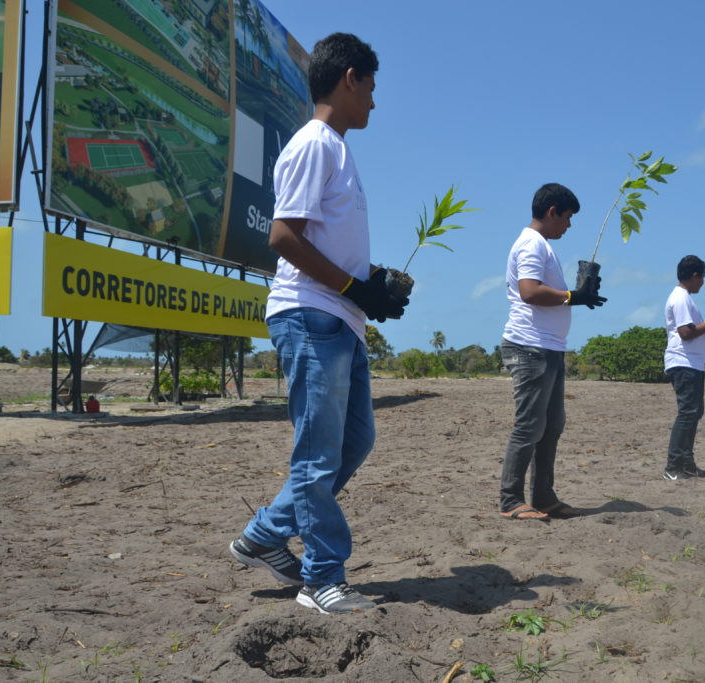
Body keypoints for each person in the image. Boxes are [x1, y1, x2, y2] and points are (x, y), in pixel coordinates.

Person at [229, 33, 407, 614]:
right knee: (317, 455)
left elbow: (328, 239)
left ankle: (262, 536)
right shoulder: (315, 144)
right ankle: (321, 578)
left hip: (340, 319)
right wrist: (354, 287)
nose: (375, 103)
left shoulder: (337, 149)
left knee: (354, 441)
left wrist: (371, 284)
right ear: (350, 78)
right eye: (373, 88)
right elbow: (283, 236)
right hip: (312, 314)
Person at [499, 183, 606, 521]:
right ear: (552, 212)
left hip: (549, 347)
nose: (569, 225)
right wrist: (573, 296)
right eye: (568, 217)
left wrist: (575, 294)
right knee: (529, 425)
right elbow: (529, 292)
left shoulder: (543, 246)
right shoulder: (531, 244)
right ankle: (511, 500)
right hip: (530, 347)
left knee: (552, 424)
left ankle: (544, 497)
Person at [662, 255, 705, 479]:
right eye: (702, 278)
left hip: (692, 363)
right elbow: (686, 332)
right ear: (695, 275)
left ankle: (687, 464)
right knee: (688, 413)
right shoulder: (680, 298)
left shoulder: (685, 298)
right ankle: (673, 467)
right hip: (684, 362)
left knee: (694, 413)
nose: (703, 283)